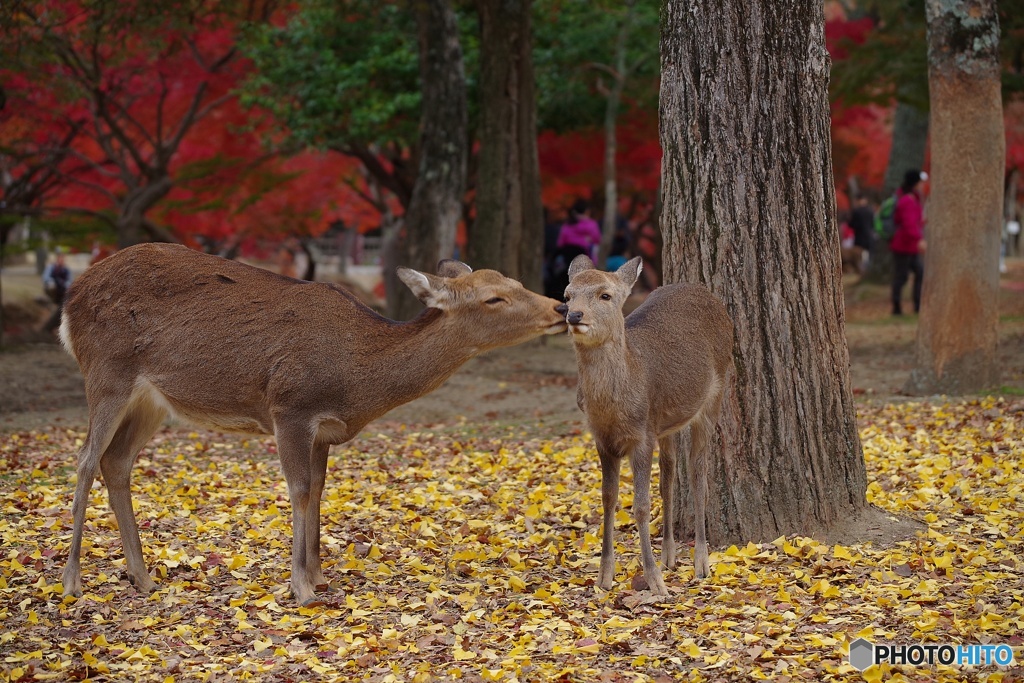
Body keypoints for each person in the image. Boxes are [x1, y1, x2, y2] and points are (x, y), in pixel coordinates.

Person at [890, 169, 927, 316]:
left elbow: (914, 222)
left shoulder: (912, 198)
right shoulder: (908, 200)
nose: (923, 185)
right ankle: (897, 307)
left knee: (918, 273)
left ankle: (917, 305)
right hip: (903, 245)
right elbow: (908, 224)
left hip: (910, 246)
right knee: (902, 276)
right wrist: (919, 240)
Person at [549, 199, 602, 299]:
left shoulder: (567, 225)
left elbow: (560, 243)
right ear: (587, 211)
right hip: (584, 257)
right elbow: (597, 239)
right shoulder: (591, 224)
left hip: (567, 259)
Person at [41, 248, 73, 333]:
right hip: (52, 290)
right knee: (51, 285)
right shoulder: (51, 267)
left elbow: (69, 282)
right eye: (60, 258)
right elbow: (46, 278)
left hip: (61, 292)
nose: (62, 260)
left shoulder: (66, 270)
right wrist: (51, 282)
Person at [848, 193, 875, 271]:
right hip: (869, 236)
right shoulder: (870, 211)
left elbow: (851, 224)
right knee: (869, 255)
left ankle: (862, 270)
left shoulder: (856, 211)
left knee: (859, 255)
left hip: (859, 237)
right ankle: (868, 268)